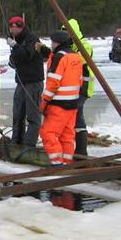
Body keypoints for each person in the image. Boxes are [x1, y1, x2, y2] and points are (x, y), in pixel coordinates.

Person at [37, 30, 82, 165]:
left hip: (59, 103)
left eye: (52, 42)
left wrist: (44, 102)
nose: (51, 45)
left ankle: (57, 163)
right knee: (67, 135)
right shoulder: (75, 56)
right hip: (73, 103)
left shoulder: (59, 57)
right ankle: (67, 162)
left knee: (47, 133)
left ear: (57, 43)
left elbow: (53, 83)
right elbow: (79, 80)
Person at [7, 16, 44, 146]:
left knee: (32, 115)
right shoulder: (18, 40)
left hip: (33, 82)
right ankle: (16, 141)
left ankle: (29, 144)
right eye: (10, 27)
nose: (11, 30)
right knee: (18, 113)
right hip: (21, 81)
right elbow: (15, 59)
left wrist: (15, 46)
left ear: (20, 27)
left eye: (13, 27)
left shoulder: (32, 39)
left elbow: (26, 55)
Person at [62, 19, 95, 155]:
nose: (65, 35)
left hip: (83, 88)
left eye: (67, 32)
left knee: (73, 115)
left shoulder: (84, 46)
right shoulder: (69, 47)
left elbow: (74, 62)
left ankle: (80, 150)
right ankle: (79, 150)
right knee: (76, 117)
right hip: (72, 88)